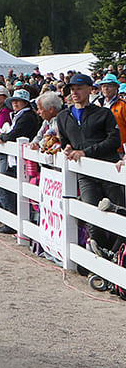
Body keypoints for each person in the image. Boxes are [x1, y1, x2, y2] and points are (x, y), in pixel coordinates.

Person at [55, 73, 124, 251]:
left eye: (79, 88)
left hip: (108, 169)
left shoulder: (103, 113)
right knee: (90, 214)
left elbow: (114, 141)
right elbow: (65, 142)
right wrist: (68, 149)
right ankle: (103, 252)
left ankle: (116, 254)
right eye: (72, 89)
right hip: (85, 173)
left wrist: (86, 152)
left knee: (119, 211)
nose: (75, 92)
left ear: (89, 90)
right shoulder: (63, 116)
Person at [0, 89, 43, 232]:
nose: (15, 103)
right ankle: (14, 219)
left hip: (23, 159)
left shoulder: (26, 117)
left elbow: (15, 134)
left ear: (25, 103)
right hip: (18, 158)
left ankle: (13, 220)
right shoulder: (20, 115)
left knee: (5, 187)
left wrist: (1, 137)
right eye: (13, 101)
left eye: (18, 101)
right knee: (9, 187)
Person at [96, 74, 126, 156]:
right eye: (103, 86)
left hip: (120, 151)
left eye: (109, 86)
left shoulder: (123, 105)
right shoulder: (99, 105)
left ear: (116, 87)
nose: (106, 88)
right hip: (102, 149)